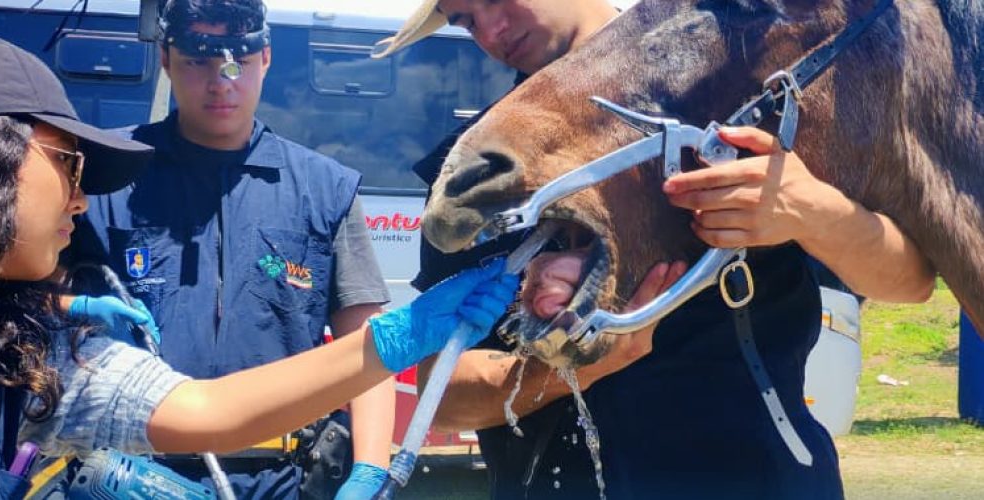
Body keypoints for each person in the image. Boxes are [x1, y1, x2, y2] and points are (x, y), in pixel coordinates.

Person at [0, 31, 519, 499]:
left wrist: (401, 337)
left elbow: (207, 407)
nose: (80, 199)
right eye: (70, 163)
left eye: (239, 58)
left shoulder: (18, 353)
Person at [374, 1, 937, 498]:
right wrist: (586, 362)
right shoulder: (483, 169)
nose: (490, 31)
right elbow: (440, 396)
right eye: (465, 20)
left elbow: (909, 281)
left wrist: (815, 211)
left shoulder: (743, 91)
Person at [63, 0, 397, 497]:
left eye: (237, 61)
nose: (220, 83)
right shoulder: (105, 175)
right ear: (165, 60)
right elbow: (30, 307)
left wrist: (370, 470)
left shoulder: (326, 189)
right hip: (131, 474)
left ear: (266, 58)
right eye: (197, 61)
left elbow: (369, 346)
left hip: (285, 477)